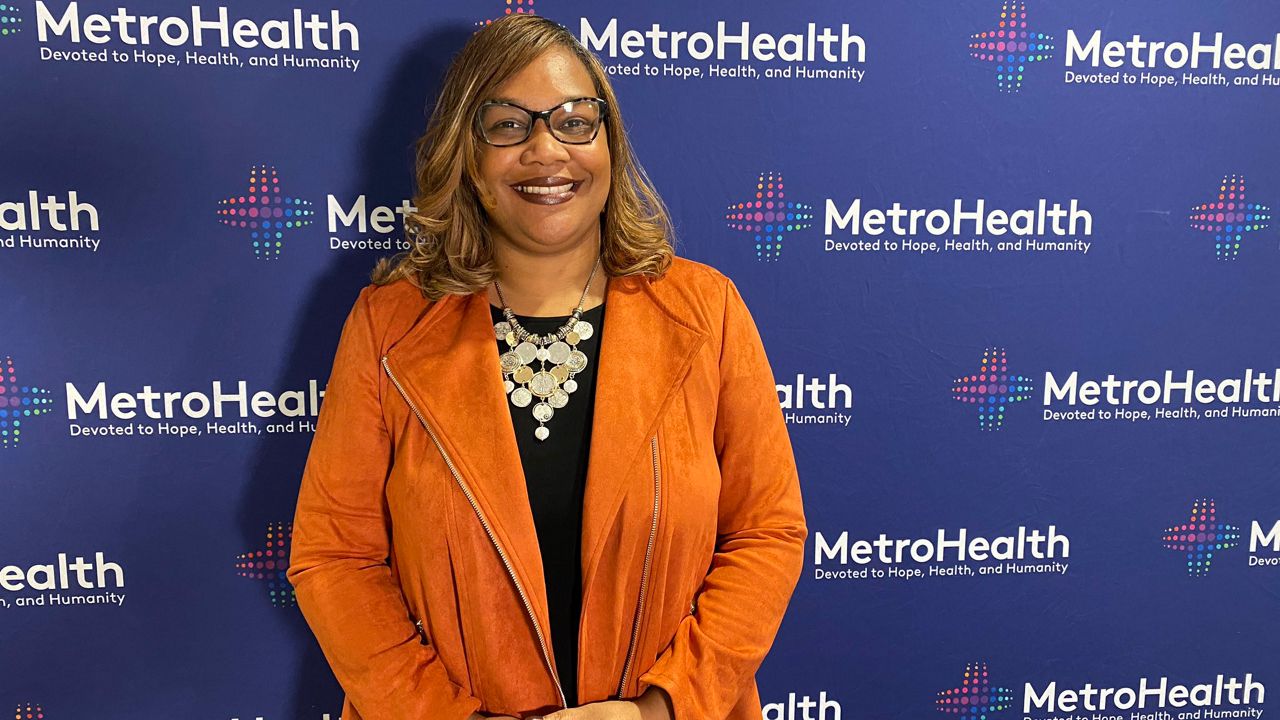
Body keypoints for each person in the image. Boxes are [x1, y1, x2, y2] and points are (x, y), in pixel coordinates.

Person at [287, 14, 807, 720]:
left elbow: (765, 533)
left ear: (610, 144)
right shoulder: (388, 326)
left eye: (573, 121)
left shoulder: (706, 311)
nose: (546, 151)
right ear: (466, 156)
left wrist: (660, 710)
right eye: (508, 125)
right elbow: (335, 559)